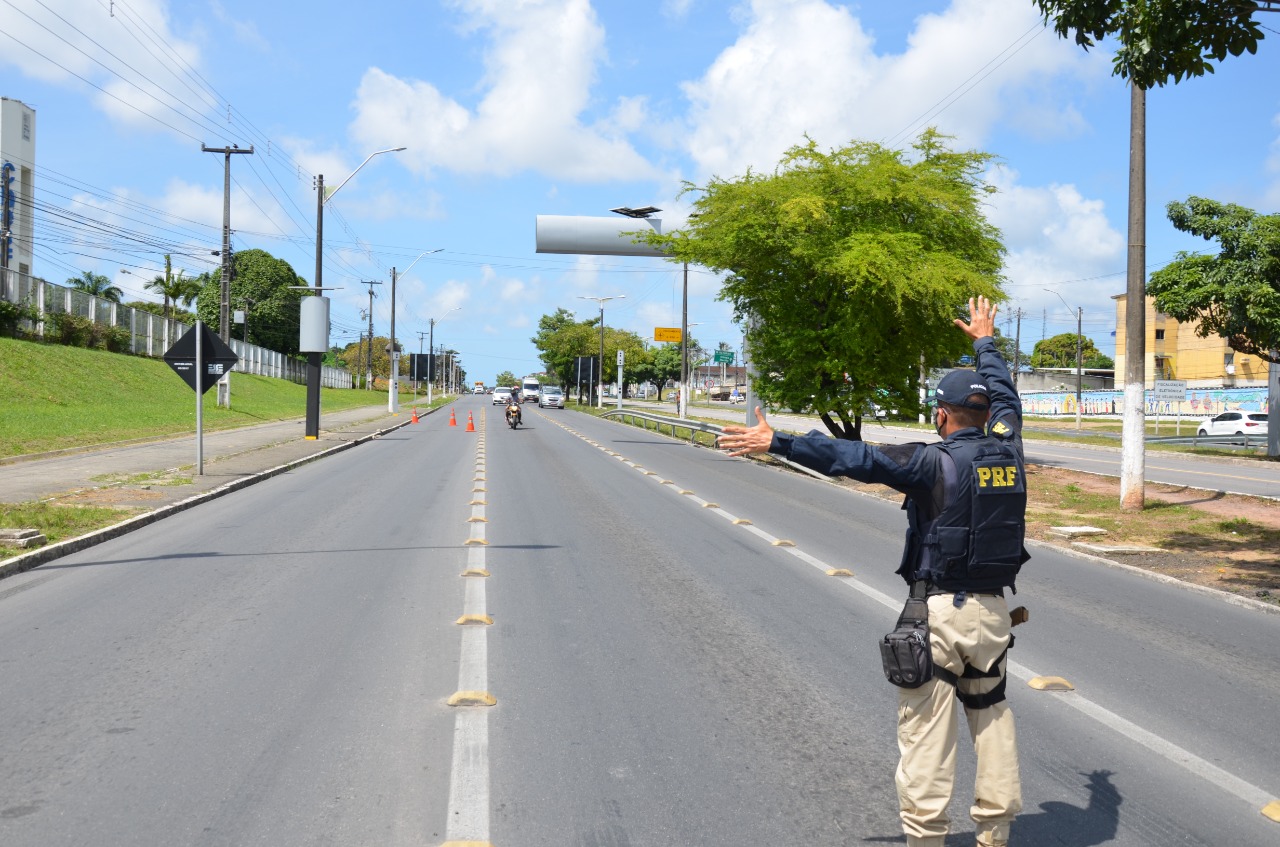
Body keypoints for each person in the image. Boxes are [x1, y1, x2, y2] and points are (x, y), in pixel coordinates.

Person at [718, 296, 1026, 847]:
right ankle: (994, 835)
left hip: (940, 616)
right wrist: (986, 344)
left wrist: (780, 441)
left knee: (927, 734)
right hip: (994, 615)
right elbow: (1005, 395)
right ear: (985, 416)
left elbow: (855, 458)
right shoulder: (1009, 448)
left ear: (941, 414)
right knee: (991, 717)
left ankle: (927, 837)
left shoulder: (931, 461)